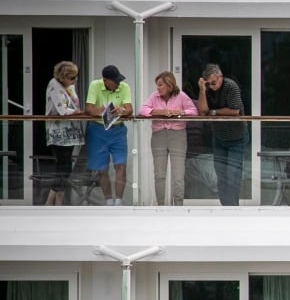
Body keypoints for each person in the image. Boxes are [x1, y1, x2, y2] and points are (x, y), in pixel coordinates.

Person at [138, 71, 198, 206]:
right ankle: (160, 205)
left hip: (178, 135)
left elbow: (193, 111)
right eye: (157, 85)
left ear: (169, 85)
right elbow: (142, 110)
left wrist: (181, 112)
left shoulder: (181, 96)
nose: (158, 88)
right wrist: (160, 112)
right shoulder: (154, 96)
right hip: (159, 135)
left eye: (160, 85)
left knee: (178, 174)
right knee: (159, 173)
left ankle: (178, 206)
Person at [196, 63, 248, 206]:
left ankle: (233, 207)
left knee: (233, 174)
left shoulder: (230, 86)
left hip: (237, 136)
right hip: (219, 137)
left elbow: (235, 111)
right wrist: (201, 89)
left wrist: (214, 112)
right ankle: (225, 206)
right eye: (209, 84)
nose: (212, 86)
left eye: (214, 82)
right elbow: (202, 111)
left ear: (221, 77)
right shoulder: (207, 89)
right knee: (221, 174)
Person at [84, 65, 133, 206]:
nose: (117, 83)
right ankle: (108, 201)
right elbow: (89, 108)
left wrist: (122, 110)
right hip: (98, 129)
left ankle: (118, 201)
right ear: (105, 80)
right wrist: (103, 111)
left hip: (117, 130)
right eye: (114, 81)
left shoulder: (124, 87)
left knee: (121, 165)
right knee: (101, 168)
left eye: (118, 80)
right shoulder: (95, 85)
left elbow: (129, 109)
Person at [44, 61, 85, 205]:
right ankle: (54, 201)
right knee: (63, 166)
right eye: (72, 78)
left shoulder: (68, 86)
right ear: (63, 77)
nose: (75, 81)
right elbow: (62, 110)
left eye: (76, 77)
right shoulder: (54, 85)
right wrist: (79, 112)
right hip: (60, 132)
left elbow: (74, 103)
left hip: (70, 133)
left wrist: (71, 89)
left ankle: (53, 201)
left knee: (65, 166)